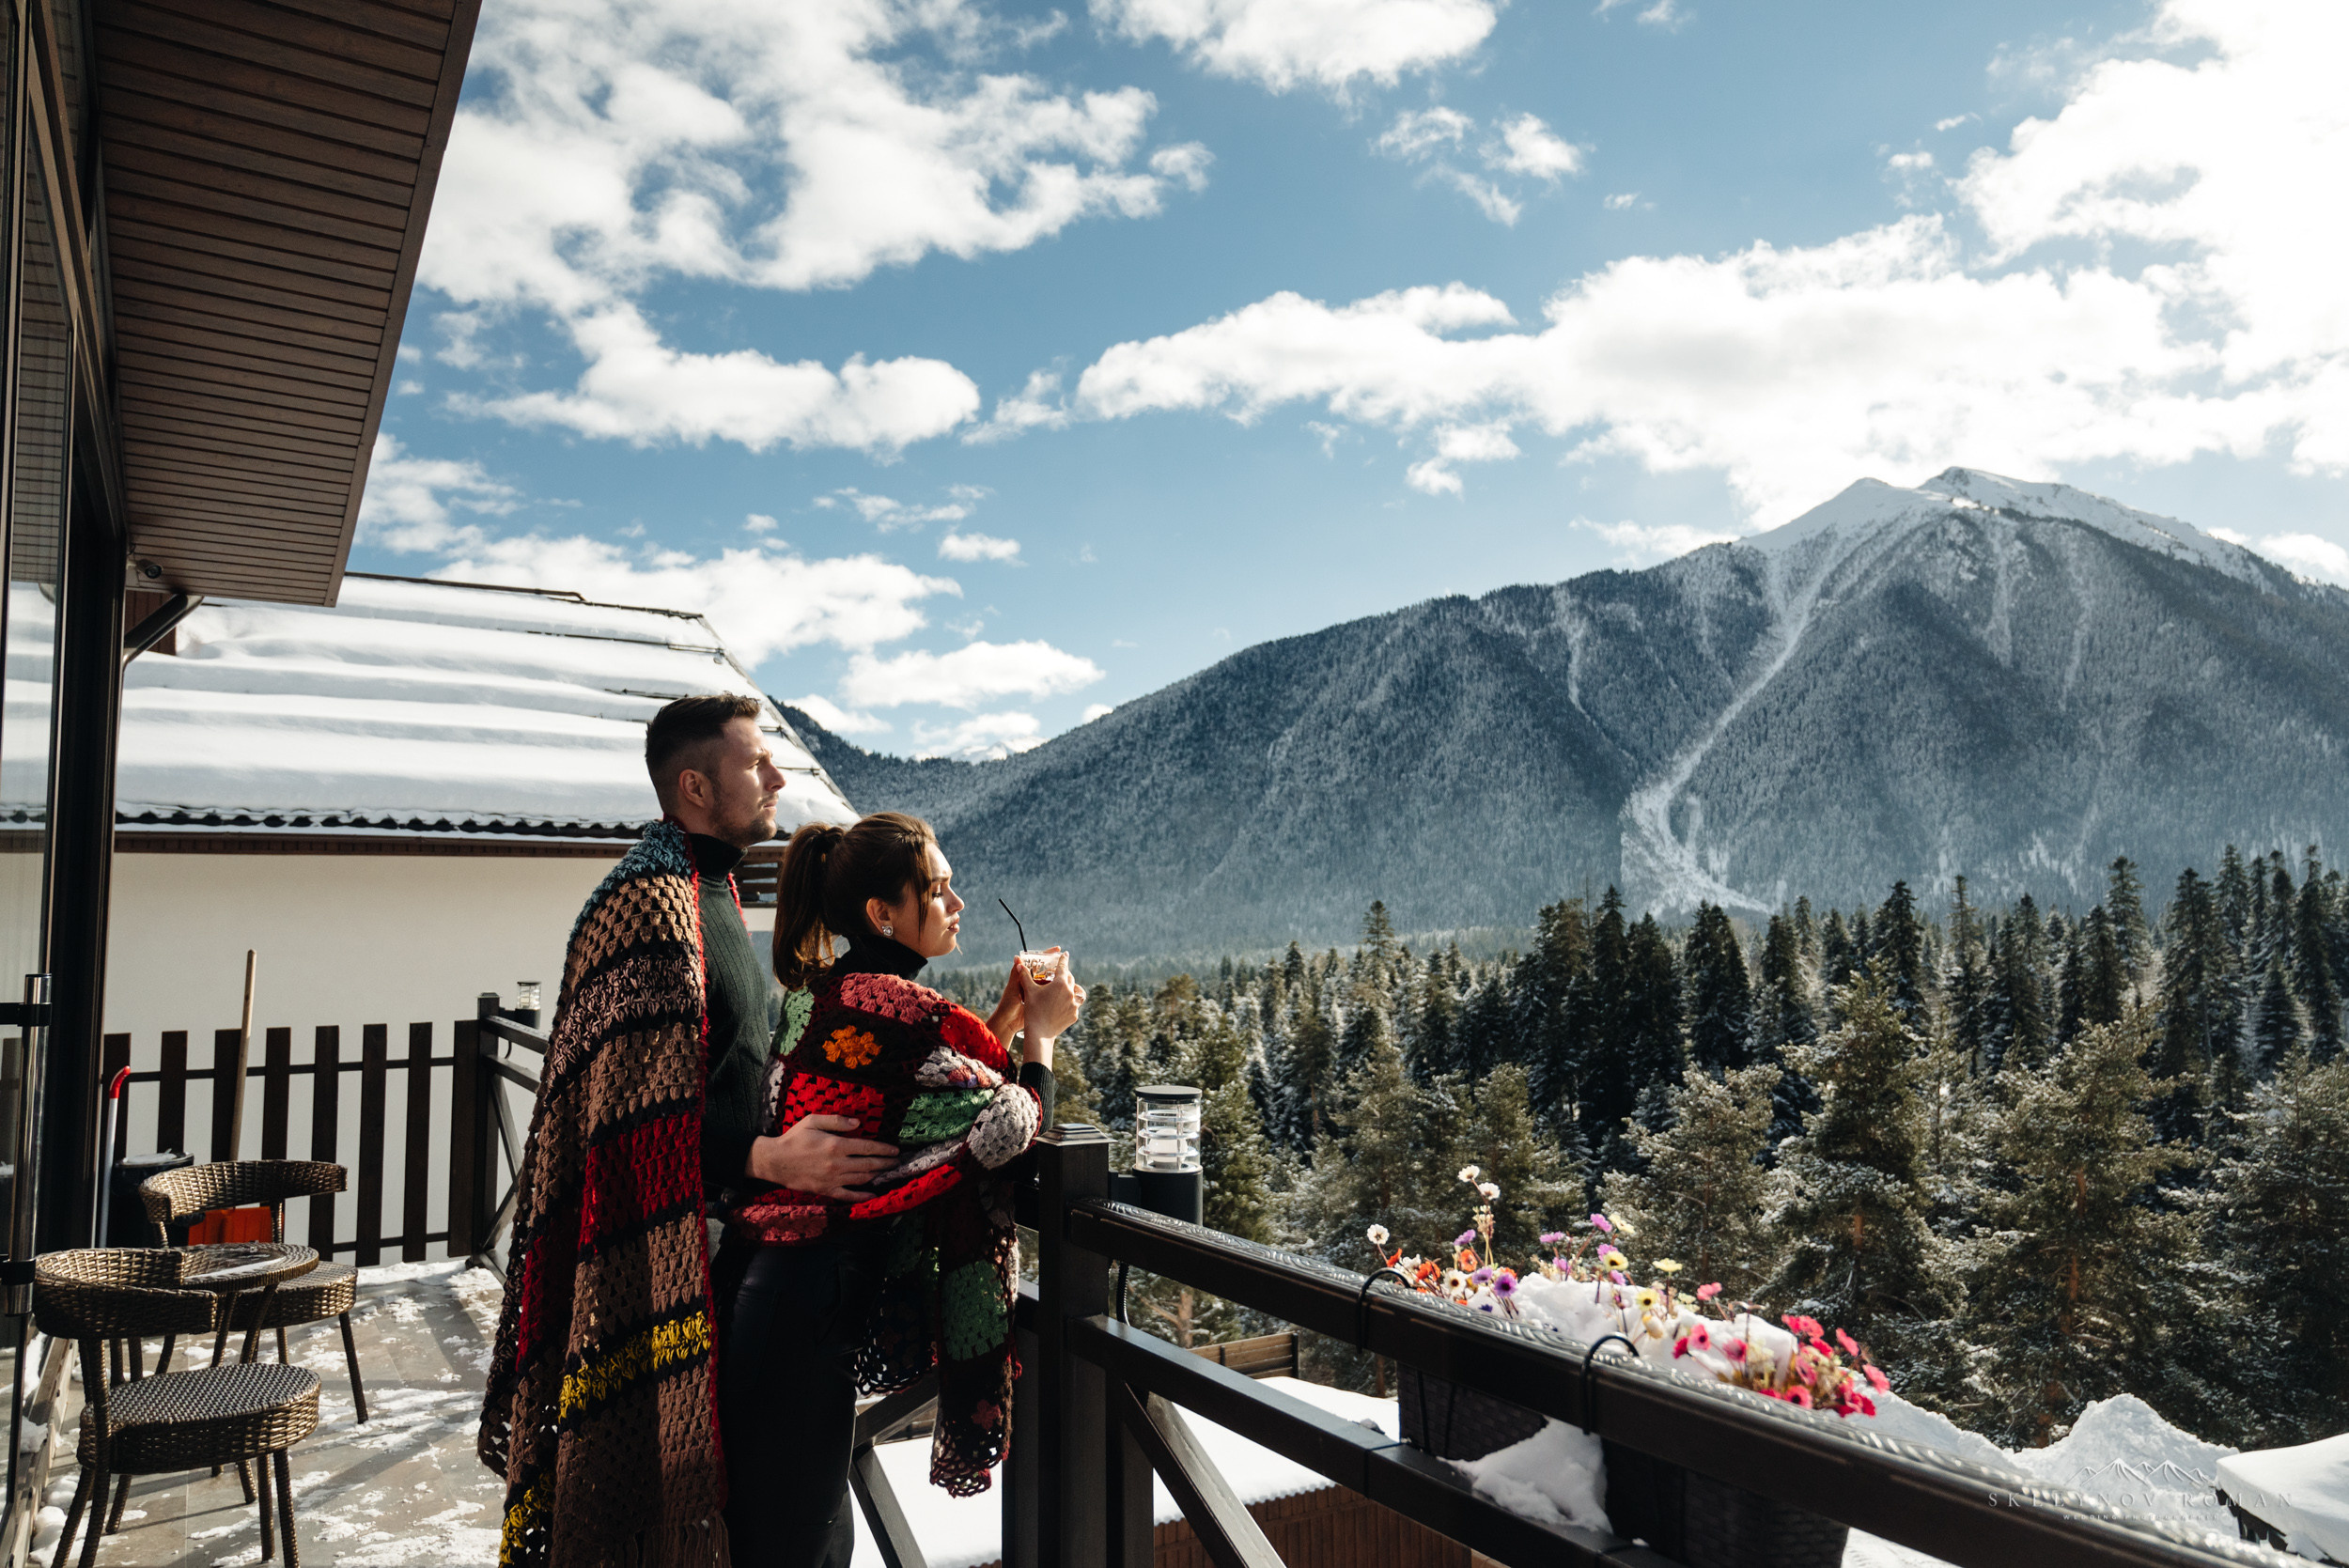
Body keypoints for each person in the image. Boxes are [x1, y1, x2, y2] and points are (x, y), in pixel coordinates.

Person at [479, 694, 906, 1568]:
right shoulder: (645, 907)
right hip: (683, 1276)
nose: (779, 775)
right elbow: (618, 1128)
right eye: (757, 763)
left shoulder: (707, 890)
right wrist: (764, 1154)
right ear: (696, 787)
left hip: (742, 1266)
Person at [718, 811, 1081, 1568]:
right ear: (885, 913)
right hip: (812, 1316)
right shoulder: (911, 1016)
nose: (959, 903)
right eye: (939, 889)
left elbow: (911, 1104)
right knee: (802, 1548)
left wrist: (1007, 1018)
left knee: (787, 1538)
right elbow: (1003, 1131)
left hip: (769, 1296)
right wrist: (1043, 1036)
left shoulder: (822, 996)